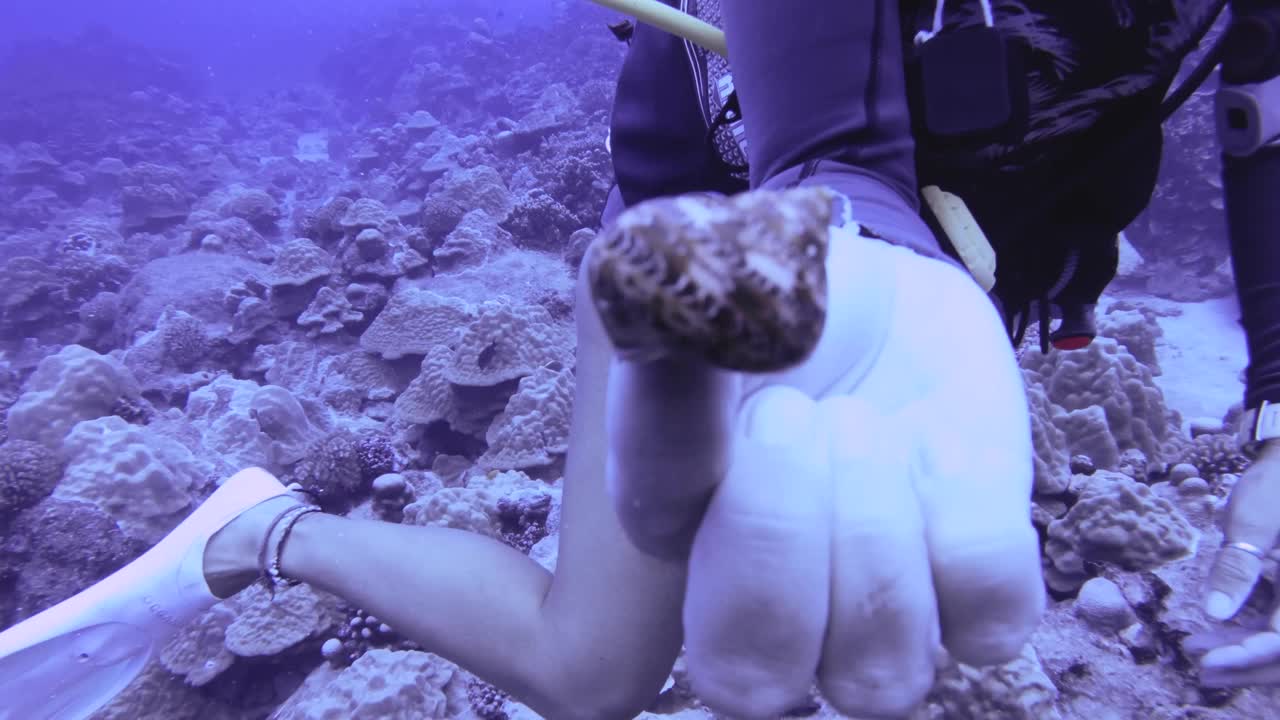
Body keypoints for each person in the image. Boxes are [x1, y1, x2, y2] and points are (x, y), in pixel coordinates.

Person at [0, 3, 1274, 720]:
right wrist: (844, 200)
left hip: (966, 273)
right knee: (590, 670)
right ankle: (264, 531)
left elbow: (1257, 117)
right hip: (740, 249)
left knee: (879, 597)